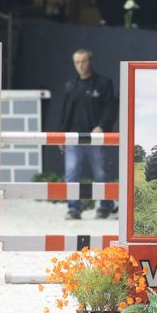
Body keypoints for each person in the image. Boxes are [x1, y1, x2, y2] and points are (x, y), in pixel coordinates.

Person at [58, 49, 117, 220]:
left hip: (95, 137)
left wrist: (101, 126)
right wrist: (61, 135)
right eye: (77, 62)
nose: (81, 65)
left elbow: (111, 108)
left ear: (90, 61)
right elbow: (65, 113)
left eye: (83, 61)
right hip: (73, 137)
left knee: (100, 173)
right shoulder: (71, 85)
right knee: (71, 173)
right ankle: (73, 209)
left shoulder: (104, 83)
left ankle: (105, 206)